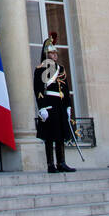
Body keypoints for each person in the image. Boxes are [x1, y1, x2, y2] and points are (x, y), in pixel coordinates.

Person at [34, 32, 75, 173]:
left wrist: (68, 106)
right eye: (51, 53)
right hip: (49, 103)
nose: (55, 55)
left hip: (60, 104)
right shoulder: (41, 69)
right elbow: (38, 89)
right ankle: (50, 164)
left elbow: (66, 88)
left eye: (55, 53)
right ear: (46, 54)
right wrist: (41, 108)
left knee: (60, 135)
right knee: (50, 136)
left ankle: (61, 162)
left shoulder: (61, 69)